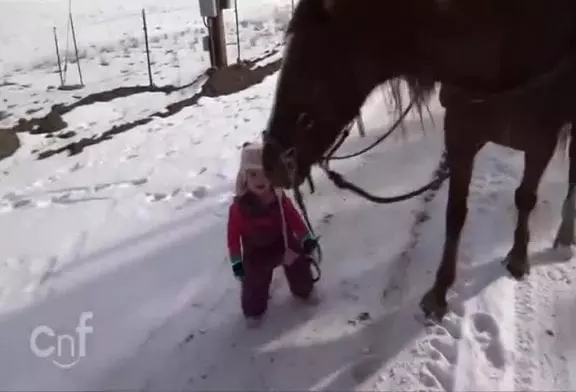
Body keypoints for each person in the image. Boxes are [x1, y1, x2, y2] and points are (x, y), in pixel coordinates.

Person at [227, 142, 319, 326]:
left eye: (265, 174)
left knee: (298, 261)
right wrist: (236, 261)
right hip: (256, 250)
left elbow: (294, 219)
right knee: (253, 278)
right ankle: (254, 310)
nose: (260, 180)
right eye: (253, 174)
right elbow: (233, 237)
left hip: (282, 241)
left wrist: (305, 238)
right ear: (244, 177)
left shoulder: (280, 199)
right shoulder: (239, 209)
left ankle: (304, 290)